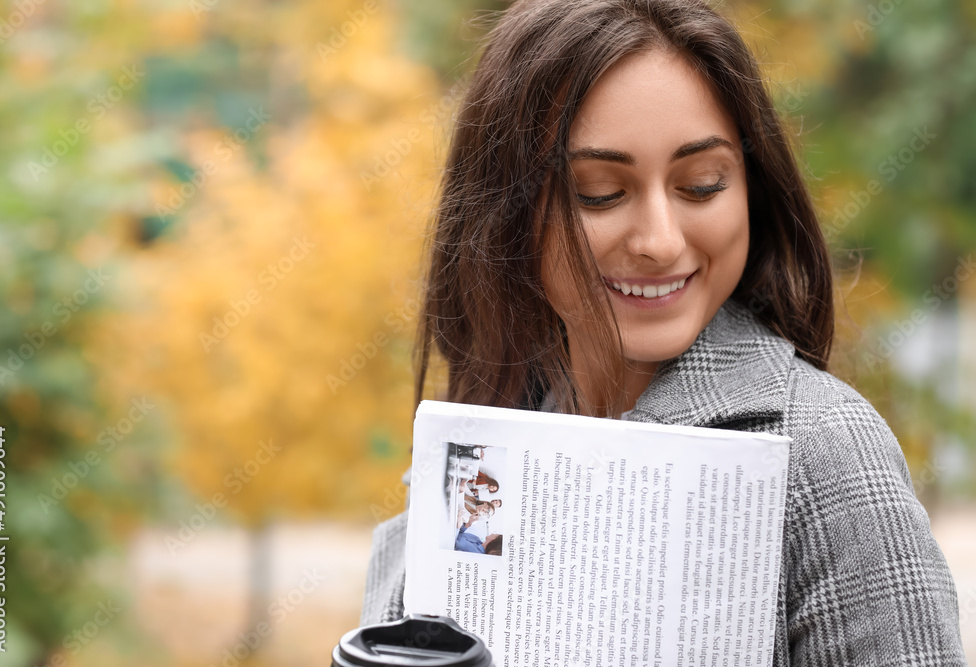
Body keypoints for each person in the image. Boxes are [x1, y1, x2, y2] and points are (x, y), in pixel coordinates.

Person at [360, 0, 966, 663]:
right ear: (508, 215)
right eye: (599, 192)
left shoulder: (825, 450)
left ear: (751, 190)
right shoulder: (487, 443)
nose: (659, 240)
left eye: (702, 185)